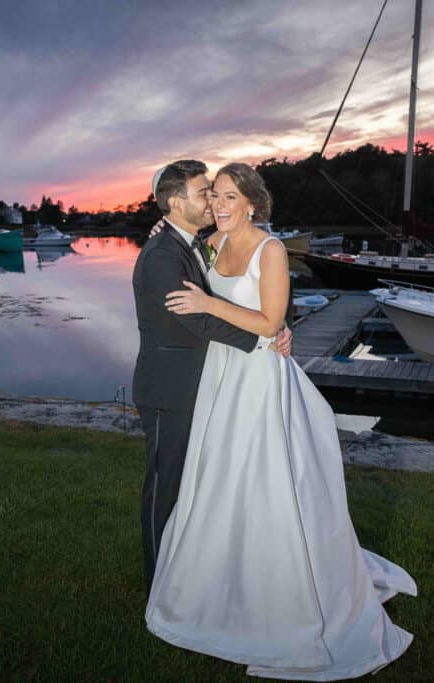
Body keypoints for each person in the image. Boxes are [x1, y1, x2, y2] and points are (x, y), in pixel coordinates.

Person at [146, 163, 416, 679]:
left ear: (252, 202)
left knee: (262, 476)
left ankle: (282, 591)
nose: (220, 206)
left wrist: (210, 303)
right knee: (219, 478)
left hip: (258, 380)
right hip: (220, 376)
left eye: (229, 197)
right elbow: (179, 246)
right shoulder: (209, 245)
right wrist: (161, 226)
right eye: (214, 198)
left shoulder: (270, 250)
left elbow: (270, 322)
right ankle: (220, 579)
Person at [131, 160, 292, 595]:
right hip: (170, 387)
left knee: (209, 482)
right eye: (205, 193)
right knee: (164, 487)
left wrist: (274, 324)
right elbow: (196, 321)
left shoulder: (196, 244)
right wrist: (261, 337)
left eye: (221, 195)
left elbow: (250, 300)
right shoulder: (166, 252)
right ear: (176, 201)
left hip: (209, 383)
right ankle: (157, 583)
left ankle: (194, 569)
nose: (212, 203)